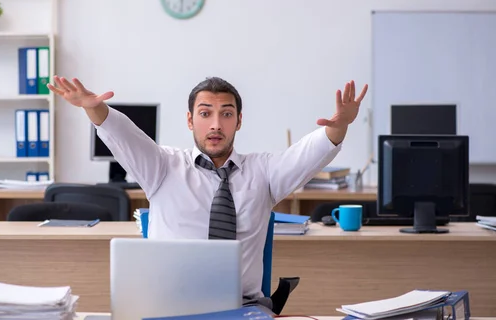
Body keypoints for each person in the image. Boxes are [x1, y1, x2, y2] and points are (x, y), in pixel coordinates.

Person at [47, 75, 368, 310]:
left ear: (239, 121)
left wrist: (338, 127)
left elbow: (309, 152)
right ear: (190, 120)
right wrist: (95, 110)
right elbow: (125, 136)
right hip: (168, 305)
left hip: (244, 309)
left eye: (226, 113)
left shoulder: (264, 172)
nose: (216, 124)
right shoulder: (162, 166)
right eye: (205, 113)